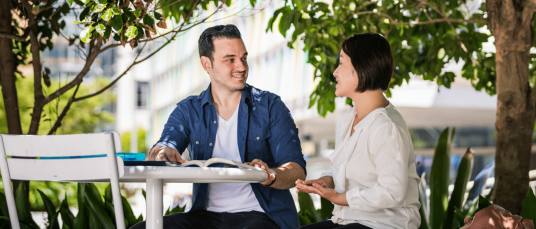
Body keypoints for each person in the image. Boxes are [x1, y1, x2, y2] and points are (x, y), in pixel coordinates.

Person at [130, 24, 306, 229]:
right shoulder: (188, 110)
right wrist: (163, 153)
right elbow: (163, 147)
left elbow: (296, 170)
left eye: (243, 58)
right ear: (207, 64)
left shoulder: (270, 106)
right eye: (230, 60)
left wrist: (270, 175)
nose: (241, 67)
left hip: (260, 216)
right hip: (204, 217)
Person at [295, 33, 421, 229]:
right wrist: (326, 181)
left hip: (383, 225)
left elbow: (392, 192)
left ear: (360, 69)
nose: (335, 72)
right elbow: (343, 164)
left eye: (341, 63)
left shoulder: (386, 127)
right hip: (348, 220)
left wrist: (339, 197)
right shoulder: (347, 118)